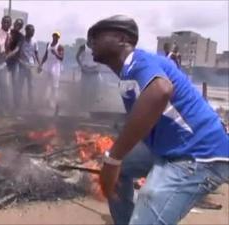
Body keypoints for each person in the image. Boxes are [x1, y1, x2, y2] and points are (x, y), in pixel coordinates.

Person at [87, 15, 229, 225]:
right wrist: (115, 159)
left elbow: (161, 91)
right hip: (172, 149)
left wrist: (113, 157)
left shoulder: (139, 60)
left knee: (130, 178)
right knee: (120, 170)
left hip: (198, 155)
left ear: (121, 37)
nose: (90, 42)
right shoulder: (128, 75)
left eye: (96, 36)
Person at [39, 31, 64, 111]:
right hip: (48, 65)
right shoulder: (48, 45)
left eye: (57, 36)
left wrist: (55, 53)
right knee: (46, 84)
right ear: (52, 36)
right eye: (54, 35)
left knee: (55, 86)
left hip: (56, 66)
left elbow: (61, 58)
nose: (55, 37)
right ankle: (47, 101)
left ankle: (55, 102)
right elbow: (46, 55)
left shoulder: (60, 46)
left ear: (58, 38)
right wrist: (41, 64)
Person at [17, 24, 39, 112]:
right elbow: (17, 52)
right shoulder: (21, 41)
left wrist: (40, 64)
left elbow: (36, 53)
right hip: (22, 66)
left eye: (33, 31)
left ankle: (31, 106)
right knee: (20, 86)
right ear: (26, 31)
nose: (33, 32)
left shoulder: (34, 41)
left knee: (31, 87)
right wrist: (20, 61)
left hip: (31, 66)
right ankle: (18, 105)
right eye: (31, 31)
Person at [76, 41, 101, 111]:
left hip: (94, 71)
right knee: (84, 90)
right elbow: (77, 56)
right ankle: (83, 107)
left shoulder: (97, 46)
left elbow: (101, 57)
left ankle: (91, 107)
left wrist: (98, 66)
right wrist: (81, 65)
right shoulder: (83, 47)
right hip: (85, 70)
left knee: (94, 90)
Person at [7, 18, 24, 111]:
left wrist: (9, 54)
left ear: (21, 27)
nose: (18, 26)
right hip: (6, 62)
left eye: (20, 25)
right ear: (14, 24)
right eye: (17, 24)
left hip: (14, 62)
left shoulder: (21, 36)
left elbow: (17, 49)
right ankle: (2, 103)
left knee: (15, 83)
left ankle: (16, 105)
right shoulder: (8, 32)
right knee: (3, 82)